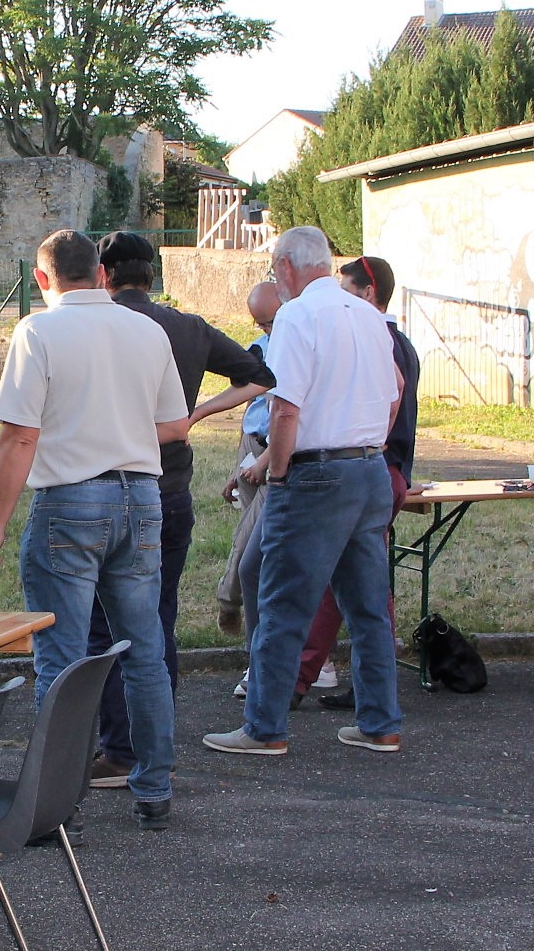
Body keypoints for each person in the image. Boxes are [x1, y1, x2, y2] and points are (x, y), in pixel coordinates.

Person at [0, 230, 191, 829]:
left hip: (69, 501)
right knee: (144, 649)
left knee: (63, 657)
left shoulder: (38, 331)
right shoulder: (147, 330)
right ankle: (154, 787)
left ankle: (56, 801)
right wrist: (120, 426)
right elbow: (175, 425)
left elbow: (20, 436)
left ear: (42, 279)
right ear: (100, 273)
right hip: (142, 498)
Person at [204, 225, 404, 759]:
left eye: (275, 270)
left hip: (316, 473)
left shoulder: (296, 316)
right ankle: (380, 721)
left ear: (288, 267)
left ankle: (264, 727)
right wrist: (371, 443)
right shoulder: (368, 314)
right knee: (368, 608)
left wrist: (277, 474)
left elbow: (285, 407)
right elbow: (395, 391)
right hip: (369, 468)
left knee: (281, 603)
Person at [83, 232, 272, 787]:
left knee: (104, 624)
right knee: (157, 616)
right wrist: (196, 414)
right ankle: (155, 742)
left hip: (103, 483)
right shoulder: (187, 327)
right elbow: (260, 376)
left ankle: (120, 749)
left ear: (103, 274)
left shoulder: (93, 325)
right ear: (153, 275)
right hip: (169, 489)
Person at [283, 256, 420, 706]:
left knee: (335, 588)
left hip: (367, 466)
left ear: (368, 293)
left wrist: (371, 444)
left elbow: (394, 393)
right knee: (366, 593)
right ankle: (371, 697)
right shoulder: (391, 338)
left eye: (346, 289)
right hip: (380, 469)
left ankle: (297, 679)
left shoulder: (374, 334)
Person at [214, 278, 282, 640]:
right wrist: (238, 466)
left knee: (249, 539)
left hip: (275, 453)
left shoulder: (297, 345)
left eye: (269, 322)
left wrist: (264, 462)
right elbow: (248, 402)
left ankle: (229, 599)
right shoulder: (259, 348)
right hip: (253, 446)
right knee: (252, 533)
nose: (265, 330)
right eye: (260, 324)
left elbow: (290, 415)